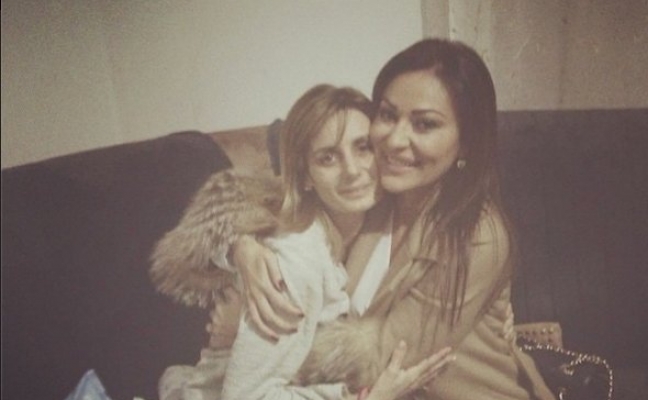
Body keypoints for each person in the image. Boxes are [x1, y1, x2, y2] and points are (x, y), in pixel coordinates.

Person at [153, 39, 554, 399]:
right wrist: (241, 247)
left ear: (465, 141)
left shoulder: (476, 233)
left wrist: (248, 339)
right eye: (388, 115)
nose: (395, 139)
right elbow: (256, 200)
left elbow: (387, 357)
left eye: (424, 124)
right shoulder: (371, 190)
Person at [153, 84, 454, 400]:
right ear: (306, 176)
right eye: (328, 158)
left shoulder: (379, 218)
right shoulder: (297, 259)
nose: (352, 171)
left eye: (363, 147)